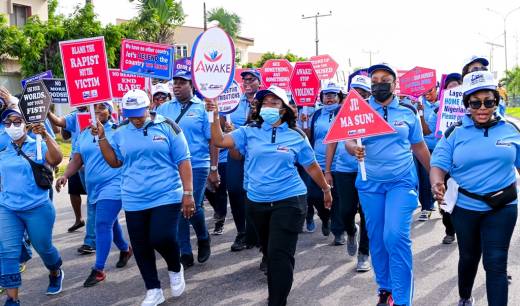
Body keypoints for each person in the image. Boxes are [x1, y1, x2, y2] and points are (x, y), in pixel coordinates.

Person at [206, 85, 332, 306]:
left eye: (274, 103)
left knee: (280, 254)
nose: (268, 106)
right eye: (265, 103)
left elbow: (311, 166)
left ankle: (277, 300)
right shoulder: (248, 131)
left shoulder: (296, 136)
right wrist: (214, 115)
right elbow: (219, 141)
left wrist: (325, 189)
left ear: (283, 109)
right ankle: (276, 288)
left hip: (290, 200)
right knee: (267, 249)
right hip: (257, 202)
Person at [92, 89, 192, 306]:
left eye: (139, 113)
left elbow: (183, 160)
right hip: (133, 196)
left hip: (166, 193)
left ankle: (175, 267)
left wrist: (188, 193)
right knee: (140, 245)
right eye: (131, 114)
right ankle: (153, 289)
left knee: (161, 237)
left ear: (149, 108)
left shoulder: (168, 126)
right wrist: (101, 137)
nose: (135, 119)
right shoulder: (120, 131)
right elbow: (115, 162)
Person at [430, 70, 519, 306]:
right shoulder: (454, 133)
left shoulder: (512, 130)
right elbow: (438, 165)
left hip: (503, 206)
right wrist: (436, 182)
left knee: (496, 262)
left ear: (496, 102)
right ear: (466, 104)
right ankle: (465, 297)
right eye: (475, 102)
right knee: (469, 257)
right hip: (466, 208)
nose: (482, 107)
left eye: (488, 102)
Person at [347, 63, 431, 306]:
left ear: (395, 84)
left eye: (385, 79)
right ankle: (385, 289)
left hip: (401, 183)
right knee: (377, 238)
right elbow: (348, 141)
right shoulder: (359, 110)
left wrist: (436, 177)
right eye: (375, 80)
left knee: (394, 236)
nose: (379, 84)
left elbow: (419, 146)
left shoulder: (407, 110)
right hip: (369, 184)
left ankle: (403, 299)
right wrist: (354, 149)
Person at [55, 102, 133, 288]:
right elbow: (77, 158)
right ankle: (125, 249)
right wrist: (65, 175)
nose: (97, 111)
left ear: (110, 111)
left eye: (102, 107)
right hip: (93, 187)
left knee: (102, 223)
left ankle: (98, 270)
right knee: (110, 223)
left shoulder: (118, 131)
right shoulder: (83, 133)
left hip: (115, 185)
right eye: (94, 108)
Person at [0, 109, 64, 305]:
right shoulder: (4, 149)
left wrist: (44, 135)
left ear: (26, 123)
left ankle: (55, 271)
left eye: (17, 121)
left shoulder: (38, 143)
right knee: (7, 252)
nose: (12, 126)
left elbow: (56, 159)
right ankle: (12, 299)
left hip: (37, 207)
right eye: (7, 123)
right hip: (8, 208)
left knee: (43, 247)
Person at [155, 69, 214, 267]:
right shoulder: (163, 109)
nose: (177, 85)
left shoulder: (204, 107)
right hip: (172, 166)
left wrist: (214, 168)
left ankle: (203, 237)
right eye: (175, 82)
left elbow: (212, 140)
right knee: (181, 207)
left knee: (191, 206)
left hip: (197, 164)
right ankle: (185, 251)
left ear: (192, 85)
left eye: (183, 82)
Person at [324, 74, 372, 272]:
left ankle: (364, 254)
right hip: (344, 170)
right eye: (355, 93)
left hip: (369, 171)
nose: (358, 96)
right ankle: (351, 231)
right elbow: (332, 142)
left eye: (363, 93)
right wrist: (327, 170)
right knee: (346, 211)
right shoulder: (340, 114)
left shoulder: (374, 113)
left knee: (367, 213)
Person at [224, 68, 262, 251]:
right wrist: (223, 124)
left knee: (253, 192)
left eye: (251, 79)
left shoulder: (265, 101)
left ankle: (257, 233)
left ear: (259, 82)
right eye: (244, 79)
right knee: (234, 189)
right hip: (236, 152)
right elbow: (222, 125)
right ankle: (242, 232)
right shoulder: (233, 102)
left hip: (258, 152)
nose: (246, 82)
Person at [47, 108, 94, 254]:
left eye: (102, 107)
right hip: (78, 162)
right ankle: (124, 247)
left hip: (101, 169)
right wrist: (47, 110)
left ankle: (91, 241)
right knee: (92, 202)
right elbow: (60, 124)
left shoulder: (111, 126)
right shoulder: (75, 116)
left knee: (96, 205)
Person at [305, 83, 344, 242]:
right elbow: (310, 137)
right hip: (317, 163)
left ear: (339, 97)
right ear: (321, 97)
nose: (329, 98)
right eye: (326, 95)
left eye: (333, 95)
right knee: (314, 196)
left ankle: (338, 232)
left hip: (338, 164)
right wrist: (305, 123)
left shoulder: (344, 112)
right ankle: (324, 216)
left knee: (337, 198)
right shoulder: (316, 114)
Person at [427, 72, 462, 244]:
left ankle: (464, 228)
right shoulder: (438, 109)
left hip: (464, 160)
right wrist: (437, 114)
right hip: (445, 158)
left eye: (458, 85)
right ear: (445, 90)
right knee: (445, 196)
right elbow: (433, 131)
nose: (454, 88)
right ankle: (449, 228)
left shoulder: (472, 105)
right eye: (450, 86)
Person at [415, 83, 440, 221]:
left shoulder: (443, 104)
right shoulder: (418, 103)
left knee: (435, 177)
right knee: (422, 178)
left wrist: (422, 113)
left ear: (436, 88)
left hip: (439, 148)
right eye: (423, 90)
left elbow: (429, 130)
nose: (426, 92)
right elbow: (421, 130)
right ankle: (426, 206)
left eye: (429, 89)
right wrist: (419, 111)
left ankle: (436, 205)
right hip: (421, 146)